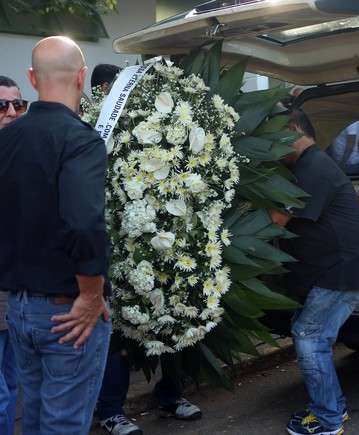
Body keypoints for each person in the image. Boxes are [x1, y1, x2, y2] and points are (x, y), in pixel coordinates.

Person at [0, 36, 111, 434]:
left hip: (20, 308)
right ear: (82, 77)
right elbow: (83, 221)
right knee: (62, 424)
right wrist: (92, 295)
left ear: (32, 79)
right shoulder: (79, 139)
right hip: (67, 311)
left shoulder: (6, 139)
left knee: (35, 418)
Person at [91, 65, 202, 435]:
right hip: (117, 250)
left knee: (172, 319)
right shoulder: (93, 129)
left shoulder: (154, 117)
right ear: (103, 90)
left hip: (163, 243)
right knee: (120, 332)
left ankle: (170, 395)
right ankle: (110, 409)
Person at [270, 108, 359, 435]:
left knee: (310, 338)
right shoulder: (308, 165)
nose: (271, 149)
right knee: (312, 335)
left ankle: (327, 421)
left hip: (339, 273)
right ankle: (332, 407)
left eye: (273, 139)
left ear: (291, 129)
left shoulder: (312, 168)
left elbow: (275, 222)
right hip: (334, 272)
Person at [0, 75, 28, 435]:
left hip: (21, 297)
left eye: (18, 104)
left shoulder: (23, 153)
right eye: (1, 105)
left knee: (11, 386)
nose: (11, 111)